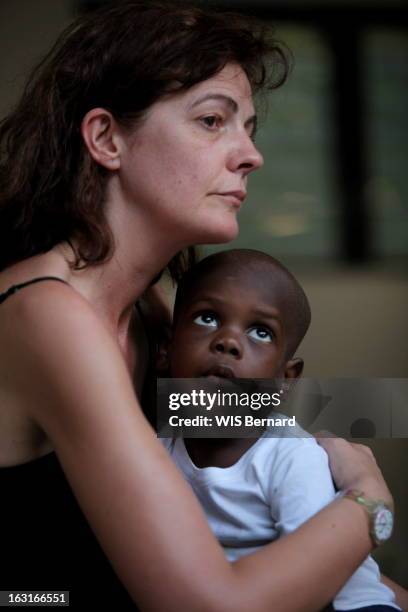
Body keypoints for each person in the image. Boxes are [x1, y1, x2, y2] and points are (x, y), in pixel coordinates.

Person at [0, 1, 397, 610]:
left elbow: (241, 515)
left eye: (250, 130)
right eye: (214, 121)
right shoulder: (47, 317)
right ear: (107, 138)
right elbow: (212, 605)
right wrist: (370, 502)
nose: (250, 155)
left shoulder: (155, 320)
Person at [159, 248, 402, 611]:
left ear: (286, 380)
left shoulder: (291, 456)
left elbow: (316, 574)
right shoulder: (156, 448)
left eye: (260, 331)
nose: (228, 341)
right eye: (208, 318)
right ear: (167, 348)